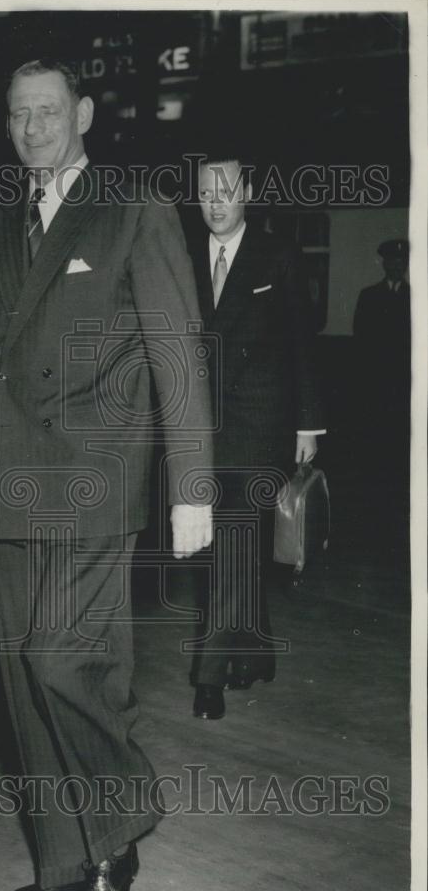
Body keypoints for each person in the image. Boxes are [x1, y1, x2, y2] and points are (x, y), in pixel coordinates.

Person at [0, 59, 213, 891]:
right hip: (2, 483)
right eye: (18, 115)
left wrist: (191, 489)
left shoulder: (134, 207)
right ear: (7, 126)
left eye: (49, 111)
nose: (34, 127)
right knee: (17, 682)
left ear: (82, 114)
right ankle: (64, 861)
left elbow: (177, 354)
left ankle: (120, 830)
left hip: (91, 481)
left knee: (61, 663)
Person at [189, 153, 325, 721]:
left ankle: (210, 675)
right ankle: (259, 651)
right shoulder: (182, 256)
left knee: (231, 549)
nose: (215, 202)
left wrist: (307, 424)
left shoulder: (278, 254)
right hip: (195, 428)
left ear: (246, 192)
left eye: (225, 190)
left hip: (257, 429)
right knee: (225, 552)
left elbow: (302, 344)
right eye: (204, 192)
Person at [352, 239, 411, 485]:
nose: (397, 265)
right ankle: (374, 476)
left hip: (405, 377)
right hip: (375, 377)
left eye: (401, 260)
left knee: (401, 428)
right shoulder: (369, 296)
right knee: (375, 426)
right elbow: (360, 337)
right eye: (392, 260)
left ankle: (398, 475)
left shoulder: (417, 296)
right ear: (384, 263)